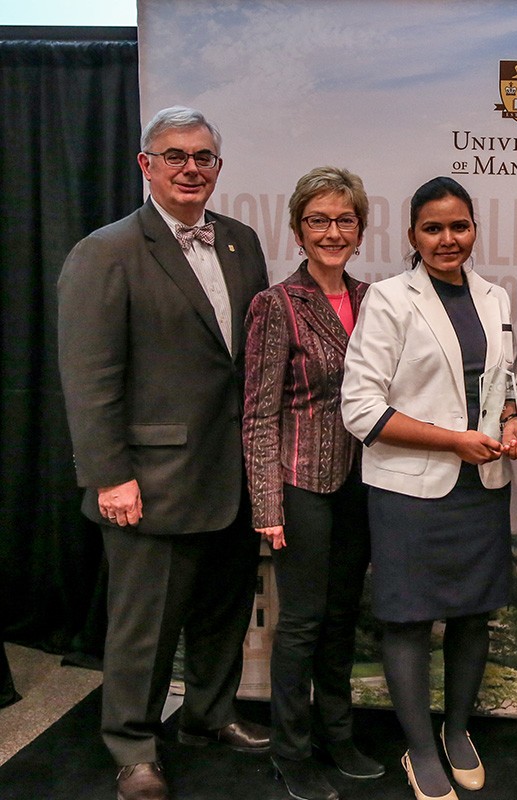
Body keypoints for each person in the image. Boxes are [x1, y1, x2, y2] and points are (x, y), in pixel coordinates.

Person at [57, 106, 270, 800]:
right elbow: (89, 381)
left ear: (218, 167)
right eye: (174, 155)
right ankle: (133, 745)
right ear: (146, 165)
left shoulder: (241, 243)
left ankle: (208, 716)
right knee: (143, 632)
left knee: (222, 613)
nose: (190, 168)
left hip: (231, 474)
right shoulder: (105, 251)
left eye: (203, 156)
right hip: (149, 483)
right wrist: (110, 475)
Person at [341, 176, 517, 800]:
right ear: (411, 236)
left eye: (459, 226)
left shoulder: (495, 297)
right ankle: (420, 749)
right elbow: (360, 409)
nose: (447, 239)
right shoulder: (390, 300)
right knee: (407, 620)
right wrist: (452, 441)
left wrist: (513, 419)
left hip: (482, 484)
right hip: (410, 490)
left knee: (473, 615)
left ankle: (457, 731)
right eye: (433, 228)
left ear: (475, 229)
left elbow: (502, 384)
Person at [242, 166, 382, 800]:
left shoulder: (375, 297)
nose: (332, 231)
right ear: (298, 229)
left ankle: (338, 735)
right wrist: (268, 506)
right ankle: (291, 751)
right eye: (318, 220)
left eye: (344, 219)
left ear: (360, 228)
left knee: (343, 617)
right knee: (301, 621)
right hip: (302, 483)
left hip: (365, 484)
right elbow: (258, 415)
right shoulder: (276, 305)